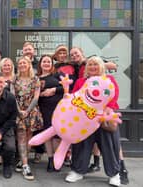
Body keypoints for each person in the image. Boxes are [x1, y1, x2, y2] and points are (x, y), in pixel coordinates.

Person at [65, 56, 122, 187]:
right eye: (90, 64)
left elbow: (114, 96)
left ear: (101, 66)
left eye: (95, 64)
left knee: (109, 145)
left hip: (104, 119)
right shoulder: (80, 81)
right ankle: (78, 171)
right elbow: (75, 97)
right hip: (85, 120)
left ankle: (114, 174)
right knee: (81, 146)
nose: (92, 67)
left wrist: (108, 109)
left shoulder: (109, 80)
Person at [12, 56, 43, 180]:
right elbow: (12, 95)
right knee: (21, 138)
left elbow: (36, 97)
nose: (22, 65)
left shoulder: (35, 79)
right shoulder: (15, 79)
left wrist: (27, 111)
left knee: (29, 138)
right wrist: (19, 111)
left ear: (29, 64)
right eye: (20, 63)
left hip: (32, 111)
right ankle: (25, 165)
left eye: (24, 63)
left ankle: (22, 160)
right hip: (18, 111)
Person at [36, 55, 64, 172]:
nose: (46, 63)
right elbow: (32, 93)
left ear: (52, 64)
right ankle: (50, 160)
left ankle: (58, 160)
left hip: (58, 110)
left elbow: (67, 87)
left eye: (49, 62)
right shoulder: (36, 78)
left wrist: (54, 90)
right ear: (40, 64)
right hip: (44, 110)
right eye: (44, 61)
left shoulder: (57, 75)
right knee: (48, 135)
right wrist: (41, 94)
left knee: (57, 137)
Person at [22, 42, 44, 163]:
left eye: (30, 49)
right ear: (23, 51)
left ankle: (39, 152)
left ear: (33, 51)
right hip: (23, 104)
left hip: (39, 101)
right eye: (26, 49)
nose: (28, 51)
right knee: (24, 131)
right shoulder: (19, 65)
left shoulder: (39, 65)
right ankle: (22, 155)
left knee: (37, 129)